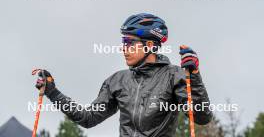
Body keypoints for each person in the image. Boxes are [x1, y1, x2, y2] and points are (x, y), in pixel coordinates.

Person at [36, 13, 212, 137]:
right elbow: (87, 118)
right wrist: (52, 91)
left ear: (149, 45)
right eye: (123, 42)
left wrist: (194, 75)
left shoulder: (173, 75)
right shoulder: (117, 81)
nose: (123, 48)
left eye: (129, 42)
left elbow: (201, 117)